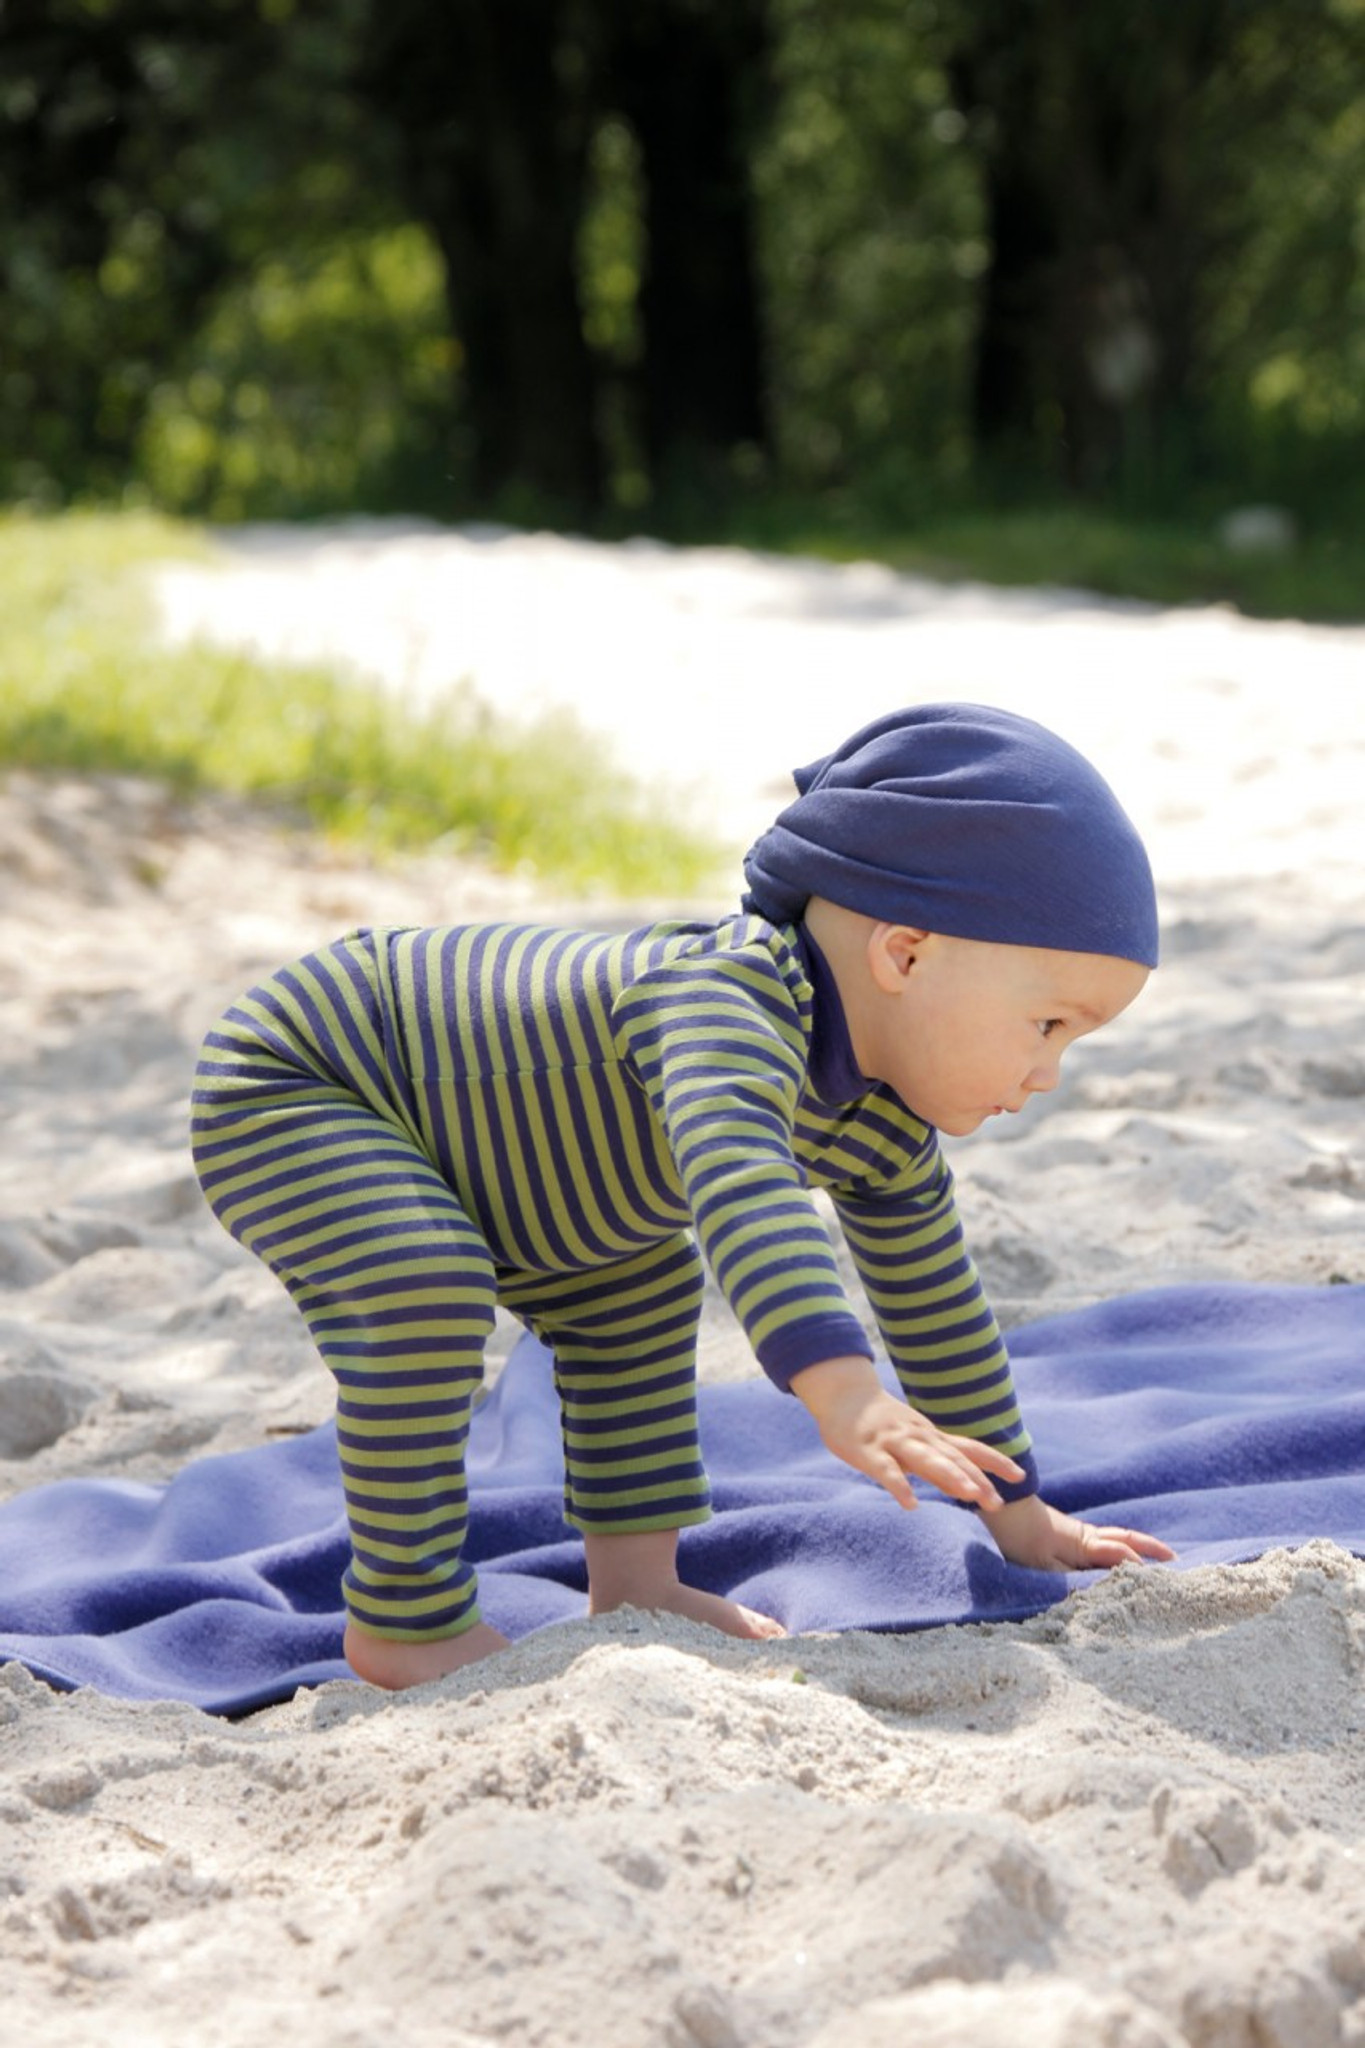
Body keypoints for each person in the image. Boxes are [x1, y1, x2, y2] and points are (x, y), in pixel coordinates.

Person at [190, 701, 1174, 1691]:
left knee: (638, 1287)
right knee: (425, 1287)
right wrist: (840, 1387)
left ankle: (637, 1583)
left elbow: (937, 1310)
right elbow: (742, 1178)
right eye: (1047, 1023)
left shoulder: (882, 1119)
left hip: (543, 1178)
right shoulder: (724, 1000)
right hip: (317, 1071)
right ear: (905, 953)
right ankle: (406, 1617)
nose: (1050, 1071)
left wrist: (1022, 1517)